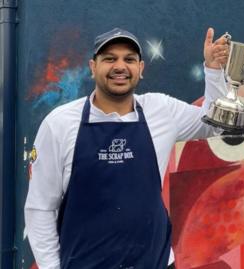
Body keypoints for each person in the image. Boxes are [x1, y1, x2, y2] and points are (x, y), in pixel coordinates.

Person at [24, 27, 229, 269]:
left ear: (140, 69)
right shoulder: (59, 124)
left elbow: (216, 126)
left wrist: (214, 72)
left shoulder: (161, 110)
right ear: (93, 67)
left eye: (129, 59)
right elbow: (40, 208)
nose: (120, 66)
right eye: (110, 58)